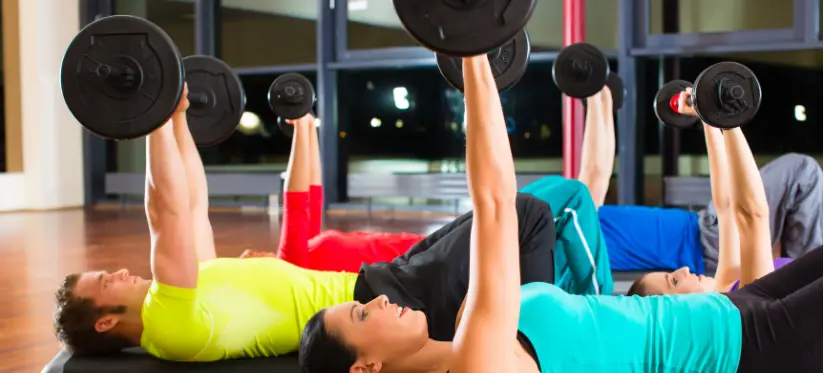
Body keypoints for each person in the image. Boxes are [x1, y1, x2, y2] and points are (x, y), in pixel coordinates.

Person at [299, 57, 823, 373]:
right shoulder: (480, 361)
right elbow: (495, 206)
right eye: (363, 314)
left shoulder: (466, 322)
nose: (381, 300)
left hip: (741, 308)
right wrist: (475, 61)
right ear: (364, 368)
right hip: (747, 349)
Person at [51, 85, 561, 360]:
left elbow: (193, 205)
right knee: (529, 214)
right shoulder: (171, 322)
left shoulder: (190, 292)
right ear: (105, 321)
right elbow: (168, 215)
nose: (117, 271)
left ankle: (532, 332)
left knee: (520, 215)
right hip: (381, 301)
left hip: (385, 278)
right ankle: (535, 345)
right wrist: (153, 118)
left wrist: (177, 121)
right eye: (104, 282)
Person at [243, 102, 613, 295]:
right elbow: (294, 199)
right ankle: (600, 308)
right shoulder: (290, 265)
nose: (245, 254)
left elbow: (308, 193)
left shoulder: (302, 249)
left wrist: (304, 123)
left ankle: (578, 301)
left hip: (446, 244)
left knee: (550, 205)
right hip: (443, 263)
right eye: (243, 265)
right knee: (569, 195)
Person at [579, 84, 822, 274]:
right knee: (802, 173)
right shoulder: (576, 235)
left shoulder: (578, 218)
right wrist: (595, 94)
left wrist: (602, 96)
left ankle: (802, 278)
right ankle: (808, 281)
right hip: (706, 244)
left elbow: (598, 163)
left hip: (704, 233)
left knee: (803, 185)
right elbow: (595, 170)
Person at [627, 89, 795, 295]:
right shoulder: (743, 302)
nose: (684, 269)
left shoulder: (726, 285)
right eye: (674, 282)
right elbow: (753, 215)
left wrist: (708, 118)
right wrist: (729, 120)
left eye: (673, 273)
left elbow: (725, 205)